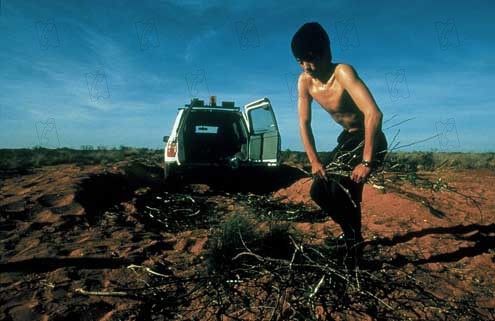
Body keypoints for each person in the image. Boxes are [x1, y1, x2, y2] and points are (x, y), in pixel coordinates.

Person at [291, 22, 388, 268]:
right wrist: (314, 161)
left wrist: (367, 161)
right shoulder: (305, 82)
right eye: (300, 61)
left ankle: (354, 249)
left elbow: (374, 115)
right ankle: (350, 233)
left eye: (310, 60)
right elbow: (303, 122)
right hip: (347, 140)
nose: (306, 67)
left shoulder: (343, 72)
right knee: (319, 190)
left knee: (342, 189)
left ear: (325, 53)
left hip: (369, 139)